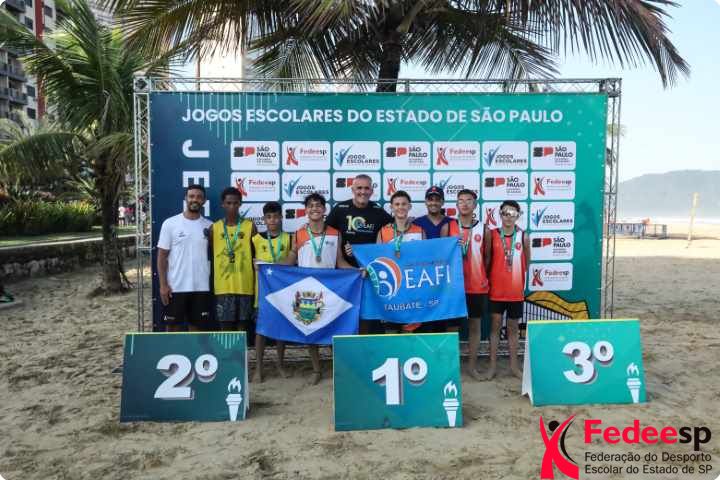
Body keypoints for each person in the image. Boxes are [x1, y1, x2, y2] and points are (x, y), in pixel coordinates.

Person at [283, 193, 354, 385]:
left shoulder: (335, 233)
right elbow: (291, 258)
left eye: (318, 205)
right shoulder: (298, 233)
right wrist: (270, 267)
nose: (314, 208)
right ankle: (316, 369)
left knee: (333, 328)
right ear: (306, 210)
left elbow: (340, 261)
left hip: (330, 289)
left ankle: (339, 367)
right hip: (307, 290)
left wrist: (356, 271)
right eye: (311, 205)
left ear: (324, 209)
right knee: (310, 329)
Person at [326, 174, 392, 334]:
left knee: (368, 313)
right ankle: (344, 343)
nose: (363, 192)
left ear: (372, 191)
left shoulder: (378, 211)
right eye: (359, 188)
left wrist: (409, 222)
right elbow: (325, 232)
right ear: (352, 189)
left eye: (366, 188)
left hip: (369, 272)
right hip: (345, 273)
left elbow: (394, 230)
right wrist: (308, 226)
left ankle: (368, 343)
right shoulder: (340, 209)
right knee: (344, 311)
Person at [484, 200, 530, 380]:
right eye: (505, 213)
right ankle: (492, 367)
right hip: (496, 291)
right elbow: (488, 259)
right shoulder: (492, 234)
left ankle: (514, 367)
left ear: (518, 215)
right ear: (500, 214)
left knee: (512, 329)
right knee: (495, 328)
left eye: (513, 214)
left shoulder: (524, 236)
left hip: (515, 293)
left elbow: (527, 263)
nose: (509, 217)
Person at [157, 184, 213, 332]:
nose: (195, 199)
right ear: (185, 198)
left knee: (197, 331)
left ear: (204, 201)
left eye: (199, 197)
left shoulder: (210, 226)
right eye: (191, 196)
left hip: (201, 287)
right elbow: (162, 257)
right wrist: (163, 285)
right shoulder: (170, 224)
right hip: (175, 287)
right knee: (172, 329)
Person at [448, 189, 490, 380]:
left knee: (475, 326)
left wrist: (479, 275)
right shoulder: (448, 227)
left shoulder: (484, 229)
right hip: (453, 287)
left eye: (468, 200)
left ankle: (472, 367)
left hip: (476, 286)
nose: (464, 204)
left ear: (475, 205)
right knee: (452, 328)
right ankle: (451, 368)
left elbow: (487, 258)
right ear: (456, 204)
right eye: (461, 200)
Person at [251, 201, 292, 382]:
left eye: (276, 216)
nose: (273, 220)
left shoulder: (288, 238)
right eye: (269, 217)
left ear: (281, 218)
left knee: (280, 329)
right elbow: (250, 262)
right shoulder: (256, 239)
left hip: (282, 292)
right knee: (261, 330)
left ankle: (280, 364)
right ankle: (258, 368)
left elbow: (292, 263)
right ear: (264, 219)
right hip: (262, 291)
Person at [375, 190, 425, 333]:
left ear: (409, 206)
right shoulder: (383, 232)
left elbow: (426, 260)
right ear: (391, 207)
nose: (400, 207)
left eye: (404, 204)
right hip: (392, 289)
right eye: (397, 204)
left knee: (409, 334)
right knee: (391, 334)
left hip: (412, 289)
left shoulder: (420, 231)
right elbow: (378, 261)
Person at [209, 187, 255, 332]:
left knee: (243, 328)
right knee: (226, 329)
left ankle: (242, 349)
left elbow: (255, 254)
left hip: (245, 286)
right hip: (223, 287)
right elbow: (211, 253)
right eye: (228, 203)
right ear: (223, 204)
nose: (232, 206)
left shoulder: (250, 227)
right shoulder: (214, 228)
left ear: (240, 204)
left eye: (235, 203)